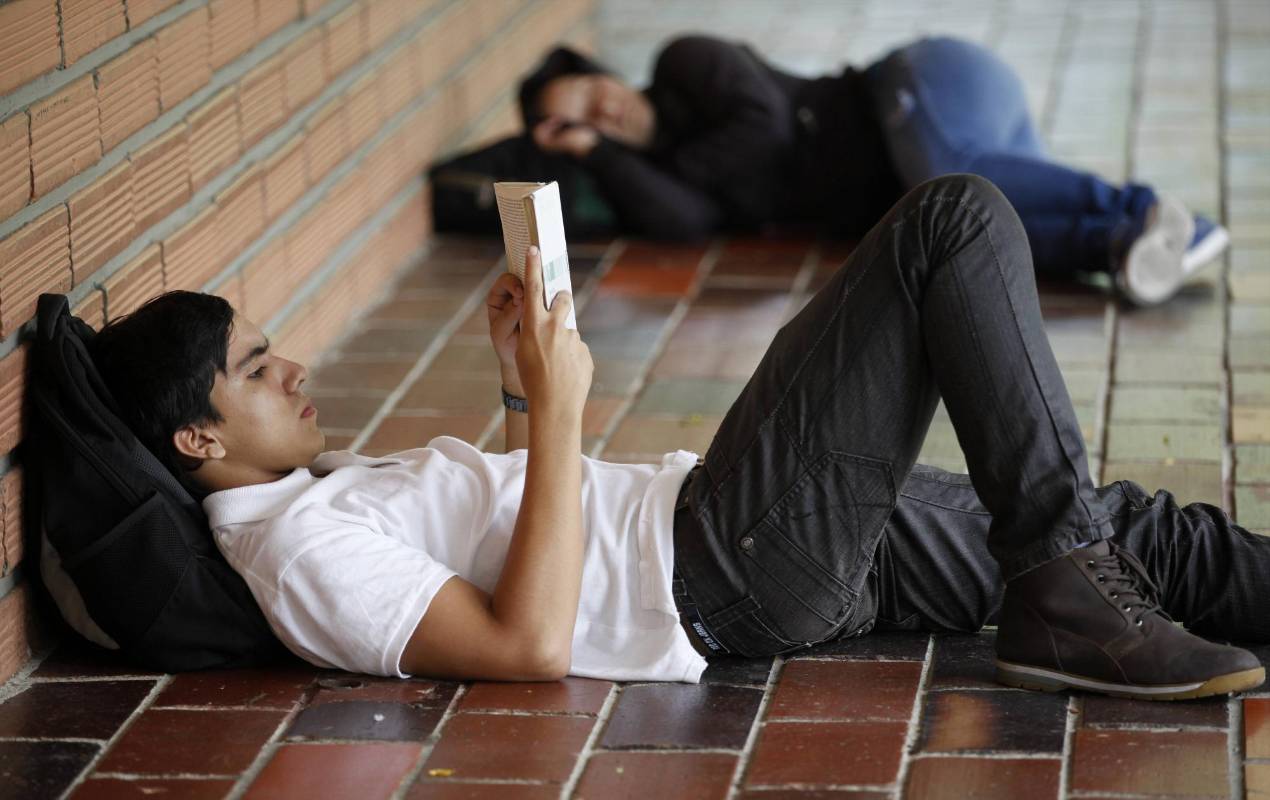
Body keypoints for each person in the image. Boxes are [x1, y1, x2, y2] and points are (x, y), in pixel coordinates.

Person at [91, 175, 1265, 699]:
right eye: (254, 369)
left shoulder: (312, 491)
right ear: (198, 437)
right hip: (722, 561)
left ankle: (1073, 583)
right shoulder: (295, 556)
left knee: (1126, 533)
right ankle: (1069, 597)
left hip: (755, 540)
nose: (291, 367)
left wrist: (514, 397)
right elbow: (527, 643)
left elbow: (502, 530)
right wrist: (558, 412)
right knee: (949, 224)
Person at [518, 35, 1230, 307]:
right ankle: (1124, 248)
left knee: (948, 176)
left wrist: (671, 167)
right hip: (924, 169)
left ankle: (1146, 210)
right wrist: (602, 158)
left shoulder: (683, 62)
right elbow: (686, 224)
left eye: (586, 91)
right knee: (973, 235)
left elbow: (763, 129)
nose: (599, 112)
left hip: (920, 88)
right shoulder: (662, 176)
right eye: (577, 122)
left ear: (603, 75)